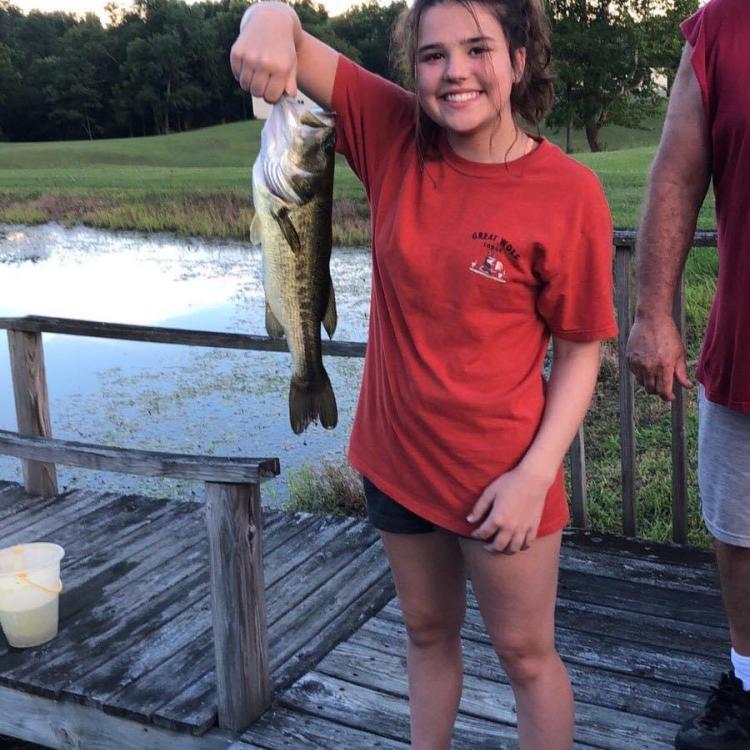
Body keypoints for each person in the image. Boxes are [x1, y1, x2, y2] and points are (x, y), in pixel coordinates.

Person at [231, 1, 616, 747]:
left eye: (479, 49)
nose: (455, 72)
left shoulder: (570, 194)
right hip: (394, 458)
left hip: (503, 478)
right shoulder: (393, 132)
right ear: (415, 68)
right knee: (425, 630)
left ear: (521, 58)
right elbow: (287, 33)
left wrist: (535, 477)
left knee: (526, 657)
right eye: (434, 55)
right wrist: (268, 18)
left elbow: (579, 353)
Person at [625, 1, 750, 748]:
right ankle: (749, 681)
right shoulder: (724, 25)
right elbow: (674, 178)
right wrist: (653, 313)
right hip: (747, 348)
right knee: (740, 531)